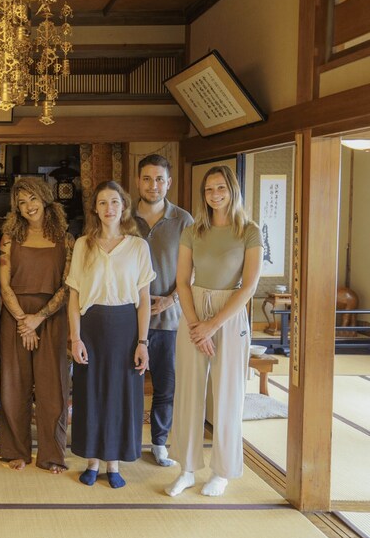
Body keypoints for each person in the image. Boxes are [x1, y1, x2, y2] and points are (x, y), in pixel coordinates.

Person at [166, 165, 263, 498]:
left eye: (221, 188)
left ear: (232, 190)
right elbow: (181, 281)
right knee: (188, 394)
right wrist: (196, 326)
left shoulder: (249, 231)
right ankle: (187, 469)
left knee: (227, 395)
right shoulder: (194, 230)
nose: (215, 194)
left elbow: (249, 286)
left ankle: (222, 470)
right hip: (193, 310)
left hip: (230, 314)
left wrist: (212, 325)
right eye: (209, 190)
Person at [67, 180, 154, 489]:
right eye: (102, 202)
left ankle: (114, 463)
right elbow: (74, 295)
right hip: (90, 324)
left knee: (120, 393)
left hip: (125, 326)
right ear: (95, 209)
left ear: (124, 207)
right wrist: (75, 338)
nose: (108, 208)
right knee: (90, 393)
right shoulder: (82, 244)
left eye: (114, 202)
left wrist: (142, 342)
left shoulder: (138, 246)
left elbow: (144, 298)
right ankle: (92, 461)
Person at [0, 177, 73, 474]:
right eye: (22, 202)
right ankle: (16, 450)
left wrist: (37, 319)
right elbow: (4, 284)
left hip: (51, 317)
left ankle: (52, 454)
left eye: (33, 199)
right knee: (13, 385)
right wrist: (23, 321)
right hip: (15, 316)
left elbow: (68, 285)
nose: (28, 207)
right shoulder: (9, 237)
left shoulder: (65, 237)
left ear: (45, 199)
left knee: (53, 387)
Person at [132, 154, 194, 467]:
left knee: (165, 386)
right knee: (127, 384)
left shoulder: (184, 220)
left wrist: (170, 300)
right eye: (147, 178)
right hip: (129, 318)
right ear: (137, 180)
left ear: (168, 182)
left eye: (160, 179)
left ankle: (159, 442)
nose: (153, 185)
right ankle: (127, 443)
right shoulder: (124, 217)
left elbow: (194, 269)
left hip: (170, 319)